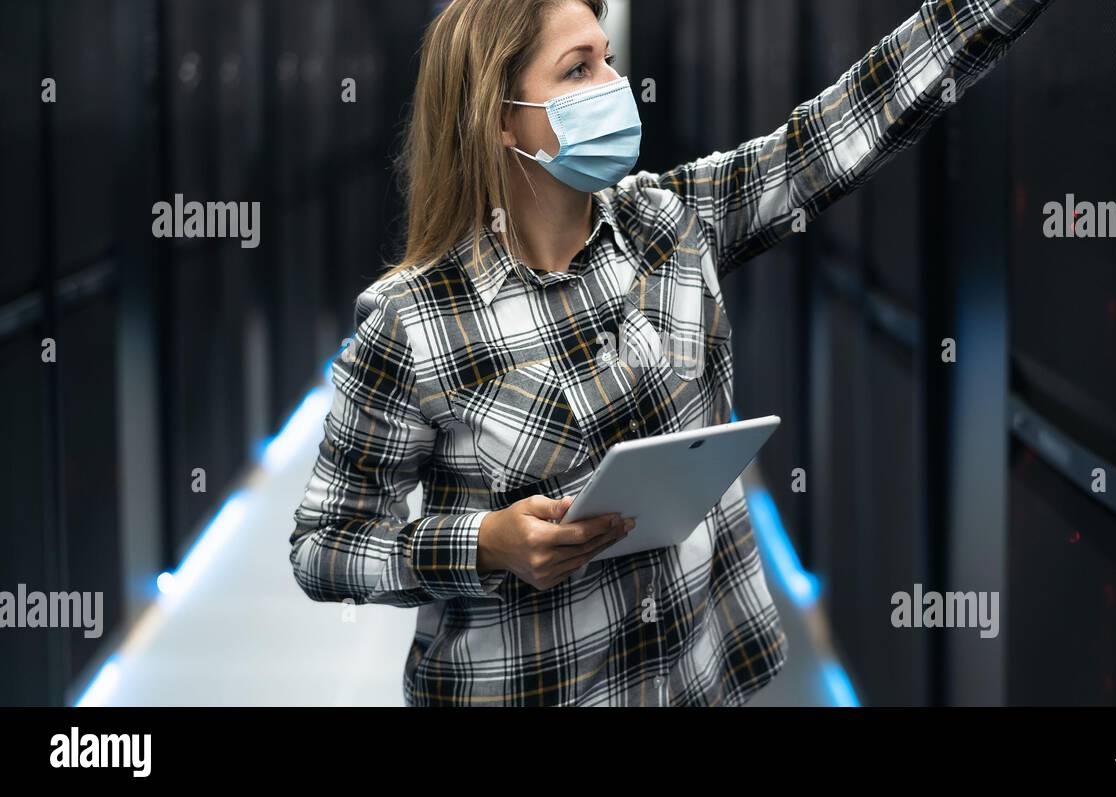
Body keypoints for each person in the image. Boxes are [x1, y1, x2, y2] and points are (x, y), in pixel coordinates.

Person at [290, 0, 1054, 706]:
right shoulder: (413, 320)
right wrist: (484, 544)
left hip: (693, 678)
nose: (615, 85)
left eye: (608, 58)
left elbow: (837, 130)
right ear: (502, 120)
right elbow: (324, 546)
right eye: (578, 69)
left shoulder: (670, 222)